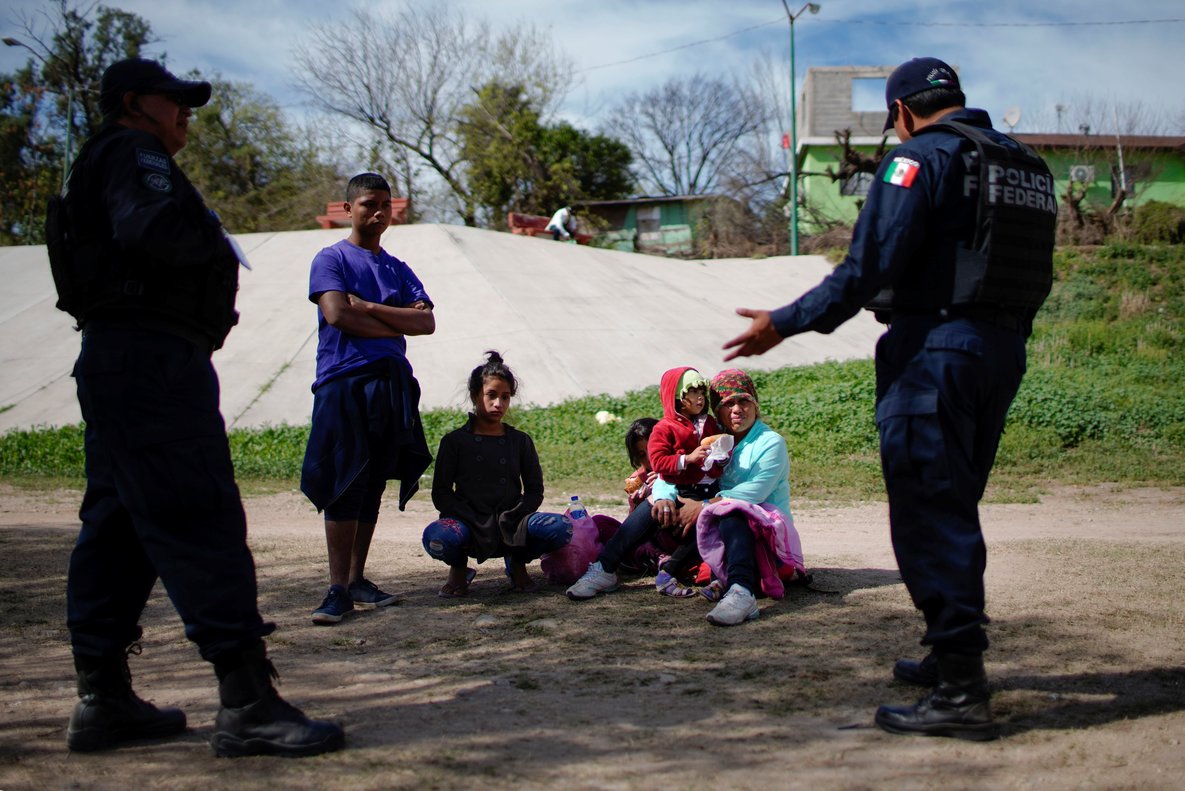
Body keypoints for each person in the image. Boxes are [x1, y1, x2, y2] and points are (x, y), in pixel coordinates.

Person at [721, 57, 1056, 740]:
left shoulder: (917, 162)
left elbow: (866, 266)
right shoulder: (1026, 166)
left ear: (900, 113)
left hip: (933, 354)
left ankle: (961, 689)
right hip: (1001, 350)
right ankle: (946, 650)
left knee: (929, 511)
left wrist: (780, 323)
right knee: (953, 503)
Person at [55, 58, 342, 757]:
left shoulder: (100, 157)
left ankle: (104, 698)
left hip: (119, 358)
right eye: (173, 100)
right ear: (133, 103)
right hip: (152, 361)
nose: (185, 111)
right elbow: (152, 230)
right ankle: (246, 701)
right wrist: (209, 246)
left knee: (118, 524)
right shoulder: (133, 149)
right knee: (197, 511)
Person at [301, 172, 435, 625]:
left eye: (384, 206)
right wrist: (398, 319)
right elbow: (337, 314)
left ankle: (358, 578)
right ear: (348, 209)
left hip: (391, 383)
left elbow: (427, 324)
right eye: (367, 205)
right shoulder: (331, 258)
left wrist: (372, 308)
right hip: (344, 382)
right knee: (346, 480)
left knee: (374, 481)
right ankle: (336, 588)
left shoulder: (397, 267)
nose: (377, 213)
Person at [652, 370, 804, 626]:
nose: (737, 410)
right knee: (656, 509)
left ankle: (741, 592)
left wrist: (704, 506)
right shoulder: (713, 438)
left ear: (755, 405)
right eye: (727, 403)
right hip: (721, 533)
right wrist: (662, 497)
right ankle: (606, 566)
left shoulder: (770, 443)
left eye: (744, 401)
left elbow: (755, 492)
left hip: (765, 537)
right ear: (716, 410)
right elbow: (670, 471)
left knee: (733, 512)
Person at [567, 367, 726, 600]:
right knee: (650, 506)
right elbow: (662, 465)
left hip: (708, 499)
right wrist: (678, 473)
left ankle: (671, 568)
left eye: (703, 391)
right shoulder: (667, 428)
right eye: (692, 392)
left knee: (711, 518)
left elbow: (719, 468)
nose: (700, 397)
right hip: (677, 500)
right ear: (677, 397)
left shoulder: (710, 424)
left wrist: (720, 458)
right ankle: (605, 568)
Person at [423, 351, 571, 595]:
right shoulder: (454, 441)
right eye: (491, 395)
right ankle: (459, 569)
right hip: (468, 522)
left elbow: (535, 489)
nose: (498, 404)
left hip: (513, 520)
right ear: (475, 395)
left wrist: (515, 514)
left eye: (505, 397)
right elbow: (441, 493)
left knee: (560, 527)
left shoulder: (520, 441)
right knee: (437, 538)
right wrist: (471, 516)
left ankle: (516, 563)